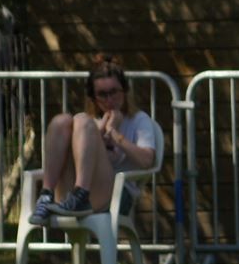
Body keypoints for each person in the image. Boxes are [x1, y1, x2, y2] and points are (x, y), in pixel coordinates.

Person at [29, 55, 163, 226]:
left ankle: (81, 195)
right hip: (71, 196)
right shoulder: (88, 124)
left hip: (116, 196)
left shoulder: (139, 120)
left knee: (82, 120)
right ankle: (46, 195)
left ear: (125, 91)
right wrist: (98, 132)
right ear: (93, 98)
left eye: (114, 92)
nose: (109, 100)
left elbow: (147, 160)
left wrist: (114, 134)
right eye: (102, 94)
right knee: (61, 121)